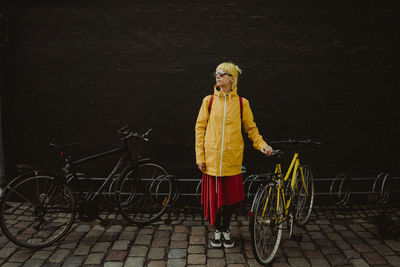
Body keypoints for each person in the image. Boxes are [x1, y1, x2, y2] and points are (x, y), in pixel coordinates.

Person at [195, 62, 273, 248]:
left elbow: (251, 128)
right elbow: (200, 129)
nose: (218, 76)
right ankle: (217, 229)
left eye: (223, 73)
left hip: (232, 160)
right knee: (215, 199)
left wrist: (262, 145)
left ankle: (225, 229)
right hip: (212, 160)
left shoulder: (241, 103)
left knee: (228, 199)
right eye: (216, 73)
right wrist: (200, 157)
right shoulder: (209, 101)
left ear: (232, 78)